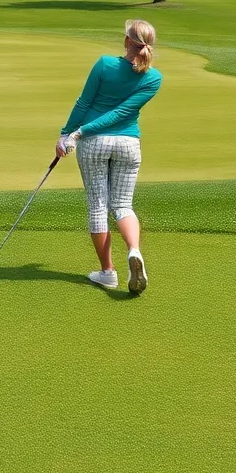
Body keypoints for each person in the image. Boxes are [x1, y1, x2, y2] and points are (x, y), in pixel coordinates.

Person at [56, 19, 163, 295]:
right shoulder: (154, 78)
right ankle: (134, 251)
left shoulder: (104, 64)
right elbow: (124, 114)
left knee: (98, 206)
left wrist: (70, 134)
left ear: (127, 41)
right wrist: (74, 134)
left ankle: (107, 273)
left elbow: (85, 103)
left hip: (94, 143)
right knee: (123, 205)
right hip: (129, 144)